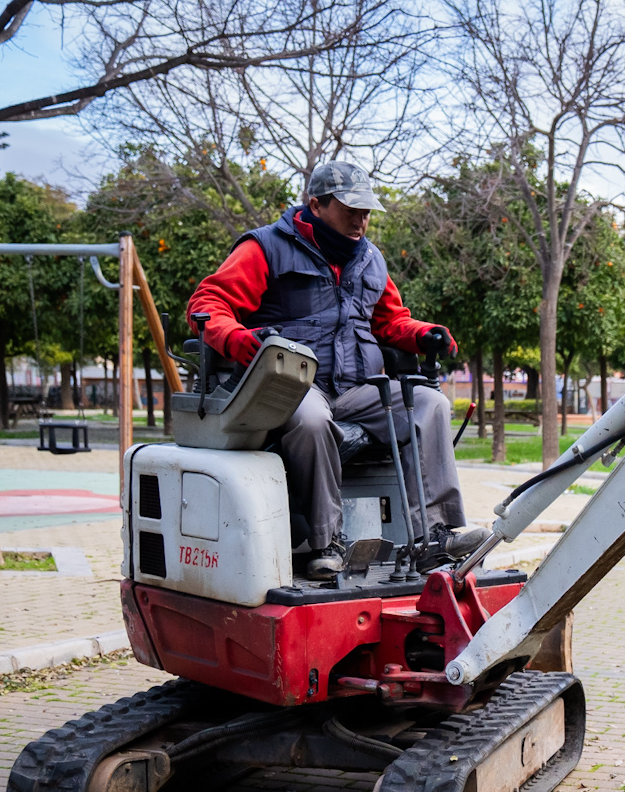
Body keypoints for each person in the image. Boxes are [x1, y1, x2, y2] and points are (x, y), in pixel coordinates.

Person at [186, 160, 489, 579]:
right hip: (291, 384)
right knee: (311, 418)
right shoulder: (265, 248)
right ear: (317, 204)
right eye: (351, 210)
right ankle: (325, 542)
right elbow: (208, 304)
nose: (361, 220)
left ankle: (434, 536)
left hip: (355, 388)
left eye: (366, 212)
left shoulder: (370, 260)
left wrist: (424, 334)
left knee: (430, 404)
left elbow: (389, 321)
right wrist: (239, 341)